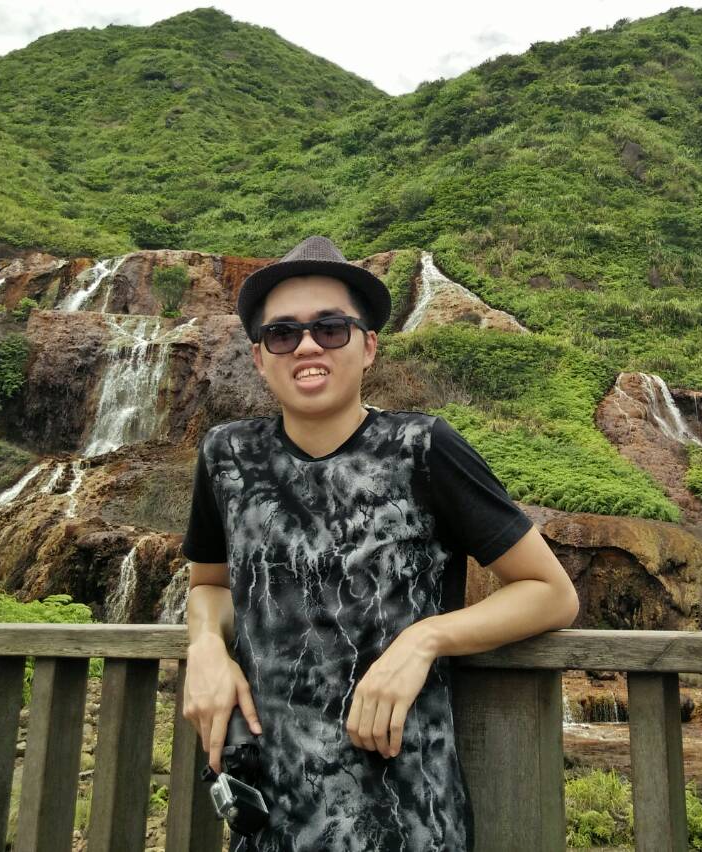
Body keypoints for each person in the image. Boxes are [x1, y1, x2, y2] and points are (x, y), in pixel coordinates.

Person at [181, 235, 580, 851]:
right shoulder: (227, 457)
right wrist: (206, 645)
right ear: (259, 357)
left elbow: (551, 593)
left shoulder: (424, 448)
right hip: (272, 817)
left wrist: (426, 639)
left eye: (330, 328)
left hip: (408, 816)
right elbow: (210, 586)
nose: (307, 346)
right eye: (282, 333)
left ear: (368, 345)